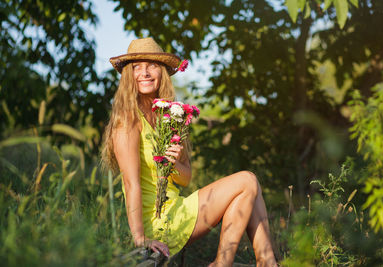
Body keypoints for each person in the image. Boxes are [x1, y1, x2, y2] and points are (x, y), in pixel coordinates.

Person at [101, 37, 277, 267]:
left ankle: (268, 263)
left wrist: (171, 164)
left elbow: (185, 178)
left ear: (162, 71)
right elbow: (131, 183)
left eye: (151, 65)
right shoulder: (128, 122)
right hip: (159, 223)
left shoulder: (170, 118)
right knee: (247, 180)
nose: (144, 72)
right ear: (128, 76)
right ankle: (228, 264)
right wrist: (140, 238)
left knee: (248, 191)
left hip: (178, 210)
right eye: (137, 67)